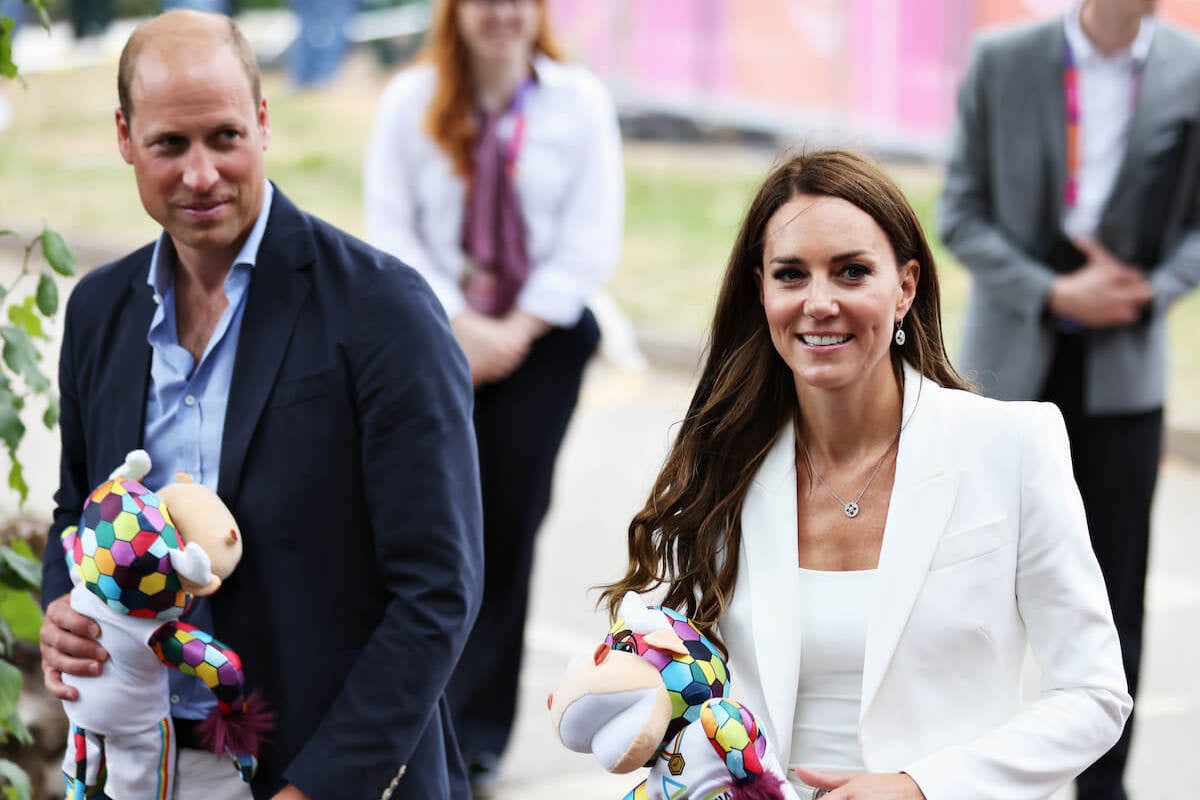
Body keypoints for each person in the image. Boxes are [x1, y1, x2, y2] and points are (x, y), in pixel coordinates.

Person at [37, 10, 483, 800]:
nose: (201, 174)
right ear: (124, 138)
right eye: (170, 144)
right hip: (146, 765)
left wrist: (319, 788)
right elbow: (78, 510)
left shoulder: (385, 313)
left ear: (264, 122)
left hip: (328, 772)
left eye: (224, 137)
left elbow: (437, 591)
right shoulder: (101, 311)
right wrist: (61, 612)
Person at [601, 149, 1131, 800]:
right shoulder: (723, 460)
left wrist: (918, 787)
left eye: (851, 272)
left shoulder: (1011, 445)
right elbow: (663, 653)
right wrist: (619, 690)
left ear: (905, 286)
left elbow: (1094, 692)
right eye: (791, 275)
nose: (818, 302)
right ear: (761, 289)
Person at [938, 2, 1200, 796]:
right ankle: (957, 767)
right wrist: (1056, 291)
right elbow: (959, 213)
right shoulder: (1002, 61)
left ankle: (1103, 783)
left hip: (1124, 363)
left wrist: (1147, 293)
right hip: (1010, 361)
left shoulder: (1191, 71)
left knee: (1115, 583)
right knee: (969, 577)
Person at [363, 0, 622, 790]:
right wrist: (459, 323)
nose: (501, 13)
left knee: (507, 530)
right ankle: (405, 718)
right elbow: (391, 229)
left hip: (540, 343)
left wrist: (513, 328)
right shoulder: (412, 101)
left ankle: (476, 735)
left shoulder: (577, 102)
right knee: (425, 529)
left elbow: (591, 236)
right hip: (433, 334)